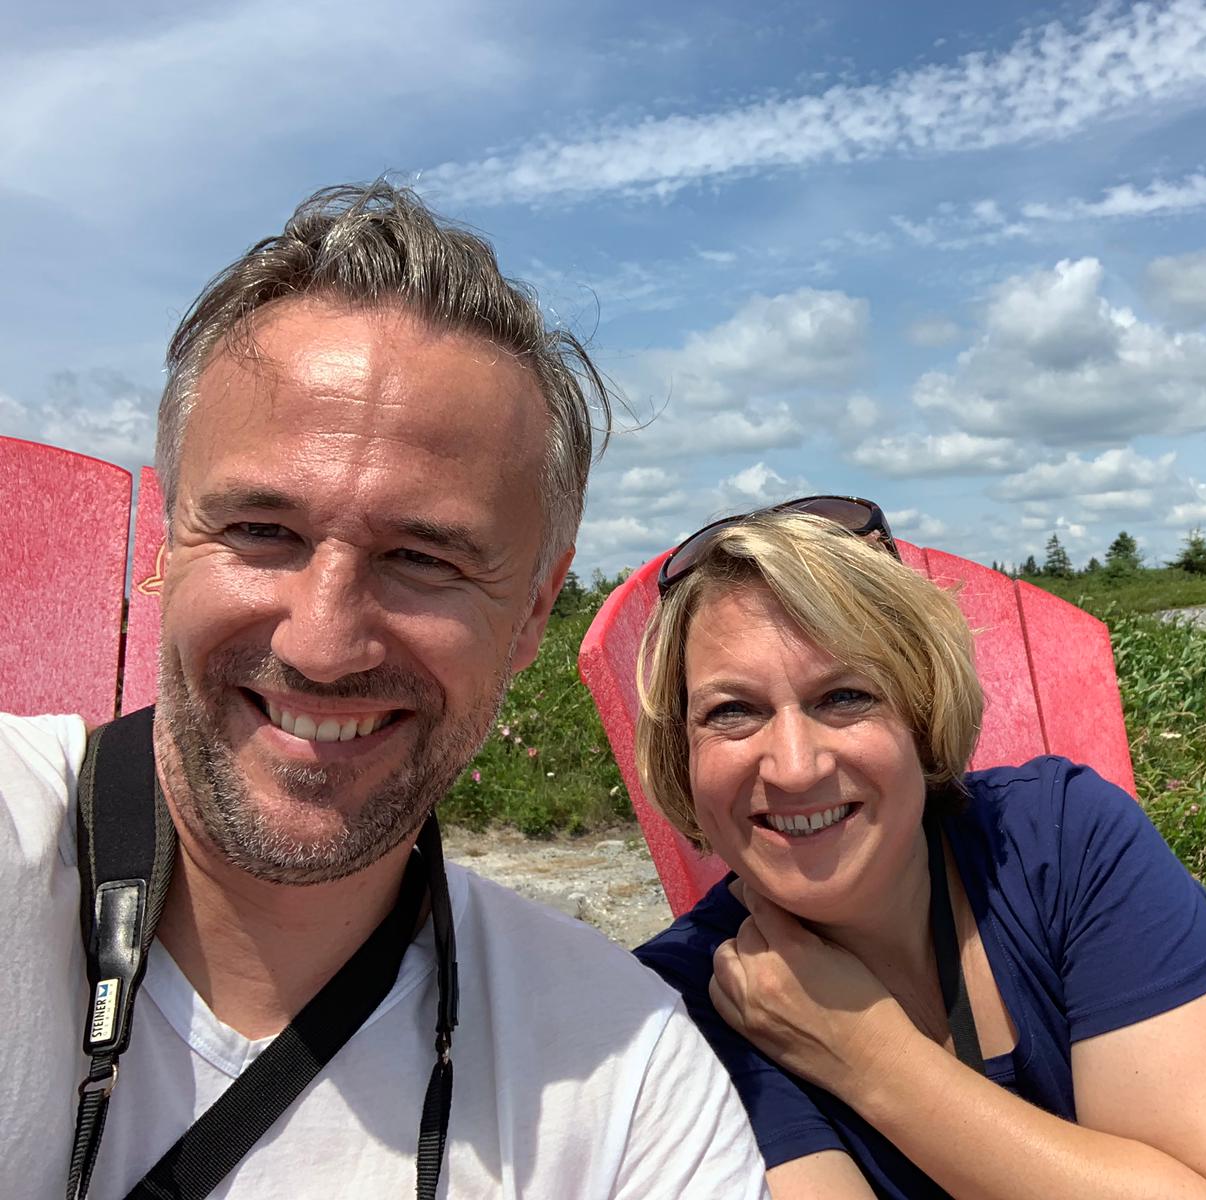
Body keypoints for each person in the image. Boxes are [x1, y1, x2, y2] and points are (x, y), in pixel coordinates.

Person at [0, 181, 767, 1199]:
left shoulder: (624, 1077)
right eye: (262, 532)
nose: (322, 646)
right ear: (166, 539)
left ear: (536, 610)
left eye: (423, 558)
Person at [634, 499, 1206, 1199]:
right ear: (682, 757)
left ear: (922, 714)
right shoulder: (675, 1012)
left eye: (846, 696)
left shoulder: (1063, 842)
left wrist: (868, 1055)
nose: (795, 765)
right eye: (732, 711)